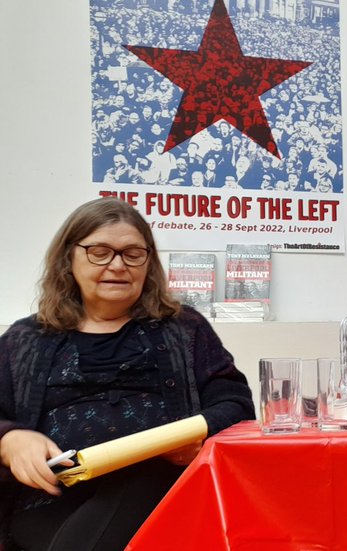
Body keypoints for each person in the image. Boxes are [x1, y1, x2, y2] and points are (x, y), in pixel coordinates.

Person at [0, 198, 254, 551]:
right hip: (51, 495)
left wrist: (197, 432)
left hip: (160, 485)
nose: (118, 265)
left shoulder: (184, 328)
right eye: (100, 252)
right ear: (67, 259)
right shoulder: (25, 338)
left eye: (133, 253)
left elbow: (236, 403)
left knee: (144, 474)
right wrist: (11, 439)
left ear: (148, 262)